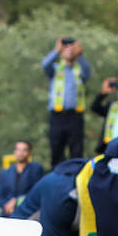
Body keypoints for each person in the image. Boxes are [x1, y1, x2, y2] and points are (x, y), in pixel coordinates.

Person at [42, 37, 91, 165]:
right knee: (56, 150)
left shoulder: (80, 70)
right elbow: (44, 65)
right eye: (66, 48)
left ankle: (75, 180)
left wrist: (79, 54)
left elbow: (88, 71)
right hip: (57, 116)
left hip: (75, 116)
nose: (69, 51)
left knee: (76, 151)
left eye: (71, 48)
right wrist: (57, 50)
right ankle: (57, 180)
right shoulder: (55, 68)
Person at [0, 142, 43, 218]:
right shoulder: (5, 173)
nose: (21, 153)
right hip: (7, 215)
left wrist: (16, 202)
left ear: (29, 152)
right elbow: (0, 197)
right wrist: (6, 206)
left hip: (27, 215)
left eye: (24, 150)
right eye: (18, 150)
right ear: (15, 152)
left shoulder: (36, 170)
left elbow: (36, 193)